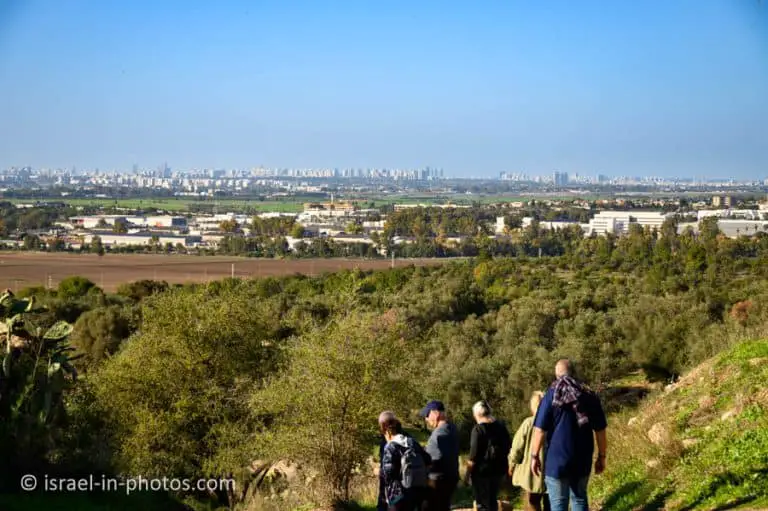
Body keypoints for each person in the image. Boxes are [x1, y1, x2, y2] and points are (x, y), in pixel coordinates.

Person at [530, 360, 608, 511]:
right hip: (582, 459)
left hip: (556, 461)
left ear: (556, 374)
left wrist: (534, 456)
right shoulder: (588, 395)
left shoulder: (551, 395)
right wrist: (602, 456)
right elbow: (600, 430)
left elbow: (539, 430)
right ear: (574, 373)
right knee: (579, 499)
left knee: (558, 504)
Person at [466, 401, 512, 511]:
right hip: (498, 471)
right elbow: (508, 447)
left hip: (482, 473)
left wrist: (467, 475)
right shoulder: (501, 427)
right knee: (492, 501)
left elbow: (473, 455)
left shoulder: (478, 430)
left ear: (477, 414)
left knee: (482, 504)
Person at [380, 415, 431, 511]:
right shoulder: (412, 442)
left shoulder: (390, 447)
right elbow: (428, 461)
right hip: (419, 491)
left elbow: (389, 474)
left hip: (400, 495)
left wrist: (378, 471)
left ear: (387, 431)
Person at [509, 392, 550, 511]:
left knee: (533, 502)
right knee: (551, 503)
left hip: (532, 473)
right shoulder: (555, 422)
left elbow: (517, 447)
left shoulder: (528, 423)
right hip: (552, 471)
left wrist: (512, 464)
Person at [419, 400, 460, 511]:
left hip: (438, 481)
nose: (426, 419)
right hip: (450, 478)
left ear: (436, 413)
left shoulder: (440, 433)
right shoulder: (451, 427)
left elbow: (436, 459)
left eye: (427, 415)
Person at [378, 411, 397, 511]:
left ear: (383, 425)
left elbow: (388, 471)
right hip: (408, 489)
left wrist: (378, 471)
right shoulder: (409, 439)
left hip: (392, 488)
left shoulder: (388, 442)